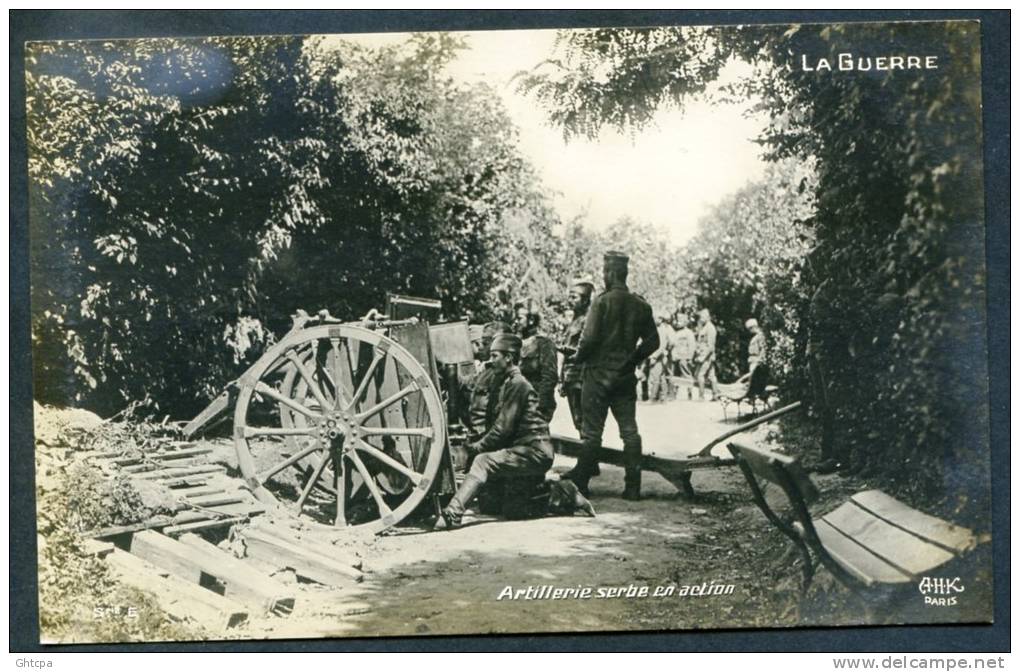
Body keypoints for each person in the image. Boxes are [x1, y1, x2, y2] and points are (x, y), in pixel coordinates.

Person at [437, 333, 555, 529]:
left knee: (483, 462)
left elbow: (501, 430)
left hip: (534, 452)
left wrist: (473, 449)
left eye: (494, 356)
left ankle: (453, 513)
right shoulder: (507, 382)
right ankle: (561, 492)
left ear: (508, 358)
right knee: (501, 508)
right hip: (524, 452)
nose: (490, 361)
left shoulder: (518, 385)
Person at [569, 251, 659, 501]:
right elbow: (653, 341)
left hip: (597, 376)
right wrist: (632, 360)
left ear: (610, 273)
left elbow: (588, 340)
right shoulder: (640, 305)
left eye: (604, 271)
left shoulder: (601, 302)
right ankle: (633, 487)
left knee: (592, 433)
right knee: (629, 432)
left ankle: (582, 484)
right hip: (624, 377)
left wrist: (577, 359)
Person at [558, 278, 595, 433]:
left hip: (582, 376)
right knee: (578, 421)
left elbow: (591, 348)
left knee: (585, 421)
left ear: (585, 300)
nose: (570, 300)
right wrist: (561, 379)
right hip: (570, 375)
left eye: (575, 297)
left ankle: (588, 454)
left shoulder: (590, 320)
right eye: (570, 296)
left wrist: (571, 351)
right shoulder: (574, 320)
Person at [516, 304, 558, 422]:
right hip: (517, 402)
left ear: (531, 320)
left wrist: (540, 405)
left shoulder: (544, 344)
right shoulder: (516, 344)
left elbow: (549, 377)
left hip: (536, 403)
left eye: (519, 318)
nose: (516, 321)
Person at [646, 313, 674, 403]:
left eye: (655, 318)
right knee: (661, 377)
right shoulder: (658, 329)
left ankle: (653, 398)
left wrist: (654, 356)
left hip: (658, 357)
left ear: (660, 320)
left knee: (655, 377)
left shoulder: (661, 330)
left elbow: (662, 346)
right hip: (659, 356)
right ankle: (663, 398)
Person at [693, 308, 720, 401]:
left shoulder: (710, 328)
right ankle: (715, 395)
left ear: (708, 317)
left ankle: (701, 396)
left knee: (700, 375)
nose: (701, 318)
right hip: (703, 355)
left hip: (706, 356)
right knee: (711, 376)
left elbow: (711, 346)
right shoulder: (704, 327)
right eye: (701, 317)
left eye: (703, 316)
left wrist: (703, 358)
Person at [671, 315, 696, 400]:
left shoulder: (689, 333)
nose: (679, 322)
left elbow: (692, 346)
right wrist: (673, 355)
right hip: (676, 357)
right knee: (675, 376)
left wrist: (690, 357)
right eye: (678, 320)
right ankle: (674, 393)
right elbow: (674, 345)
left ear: (685, 322)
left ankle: (690, 393)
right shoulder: (676, 333)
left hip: (684, 357)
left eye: (681, 320)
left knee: (687, 375)